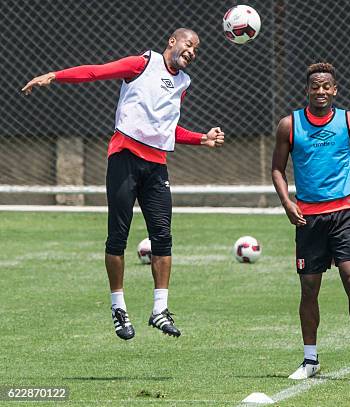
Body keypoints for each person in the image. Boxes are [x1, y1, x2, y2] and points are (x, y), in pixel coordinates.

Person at [21, 28, 225, 340]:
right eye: (189, 44)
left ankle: (160, 310)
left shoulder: (183, 83)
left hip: (156, 166)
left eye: (196, 49)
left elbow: (168, 128)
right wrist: (54, 76)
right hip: (124, 157)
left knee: (163, 236)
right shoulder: (142, 64)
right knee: (117, 238)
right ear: (172, 41)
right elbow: (95, 72)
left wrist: (202, 138)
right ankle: (118, 307)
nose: (192, 51)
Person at [271, 62, 350, 379]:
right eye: (315, 86)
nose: (320, 91)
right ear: (307, 89)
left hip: (344, 212)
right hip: (308, 218)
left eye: (326, 87)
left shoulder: (349, 120)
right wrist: (286, 202)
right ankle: (310, 360)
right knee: (309, 290)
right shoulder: (288, 125)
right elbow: (277, 169)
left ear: (335, 89)